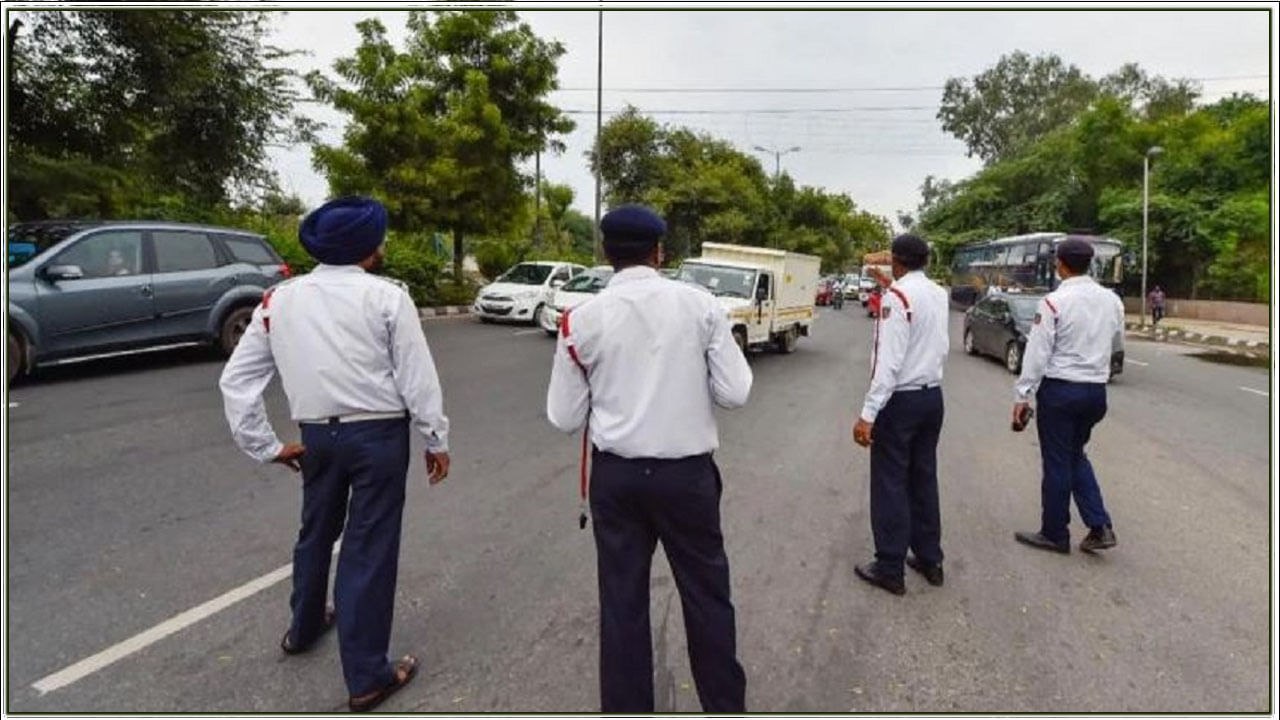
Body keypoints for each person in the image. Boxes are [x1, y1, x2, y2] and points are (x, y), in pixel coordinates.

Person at [219, 196, 451, 712]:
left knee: (316, 531)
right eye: (381, 237)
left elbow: (237, 381)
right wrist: (435, 438)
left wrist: (268, 446)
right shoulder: (388, 298)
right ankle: (368, 675)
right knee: (368, 548)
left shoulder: (279, 300)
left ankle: (303, 628)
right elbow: (417, 378)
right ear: (369, 248)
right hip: (379, 439)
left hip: (318, 438)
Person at [546, 204, 753, 713]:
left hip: (616, 480)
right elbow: (736, 392)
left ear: (605, 253)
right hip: (687, 479)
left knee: (622, 604)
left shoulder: (581, 319)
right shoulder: (701, 306)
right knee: (707, 597)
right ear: (659, 252)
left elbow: (564, 416)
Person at [1011, 238, 1125, 555]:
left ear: (1060, 264)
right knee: (1075, 454)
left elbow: (1036, 353)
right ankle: (1099, 525)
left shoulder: (1053, 302)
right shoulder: (1112, 301)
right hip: (1095, 393)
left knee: (1058, 461)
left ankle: (1054, 533)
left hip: (1061, 390)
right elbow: (1116, 337)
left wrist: (1022, 395)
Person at [851, 235, 950, 595]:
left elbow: (887, 363)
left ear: (896, 260)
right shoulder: (938, 294)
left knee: (890, 481)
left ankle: (890, 565)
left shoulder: (897, 298)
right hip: (931, 397)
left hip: (900, 402)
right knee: (923, 477)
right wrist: (891, 283)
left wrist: (867, 414)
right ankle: (929, 557)